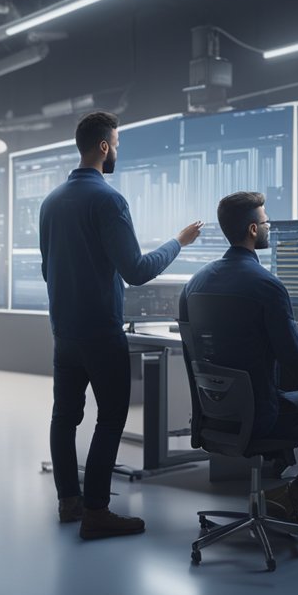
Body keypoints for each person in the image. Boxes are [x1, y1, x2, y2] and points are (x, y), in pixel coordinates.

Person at [40, 110, 203, 539]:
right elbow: (136, 270)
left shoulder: (51, 201)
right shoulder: (108, 200)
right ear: (104, 146)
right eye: (117, 144)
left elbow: (47, 268)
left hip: (64, 332)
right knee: (111, 416)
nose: (118, 152)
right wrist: (178, 242)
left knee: (64, 416)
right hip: (100, 331)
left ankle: (68, 501)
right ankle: (97, 511)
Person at [179, 191, 298, 524]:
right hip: (262, 418)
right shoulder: (267, 286)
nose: (268, 228)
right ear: (253, 229)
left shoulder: (195, 283)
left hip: (216, 415)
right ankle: (292, 496)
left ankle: (282, 483)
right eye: (266, 222)